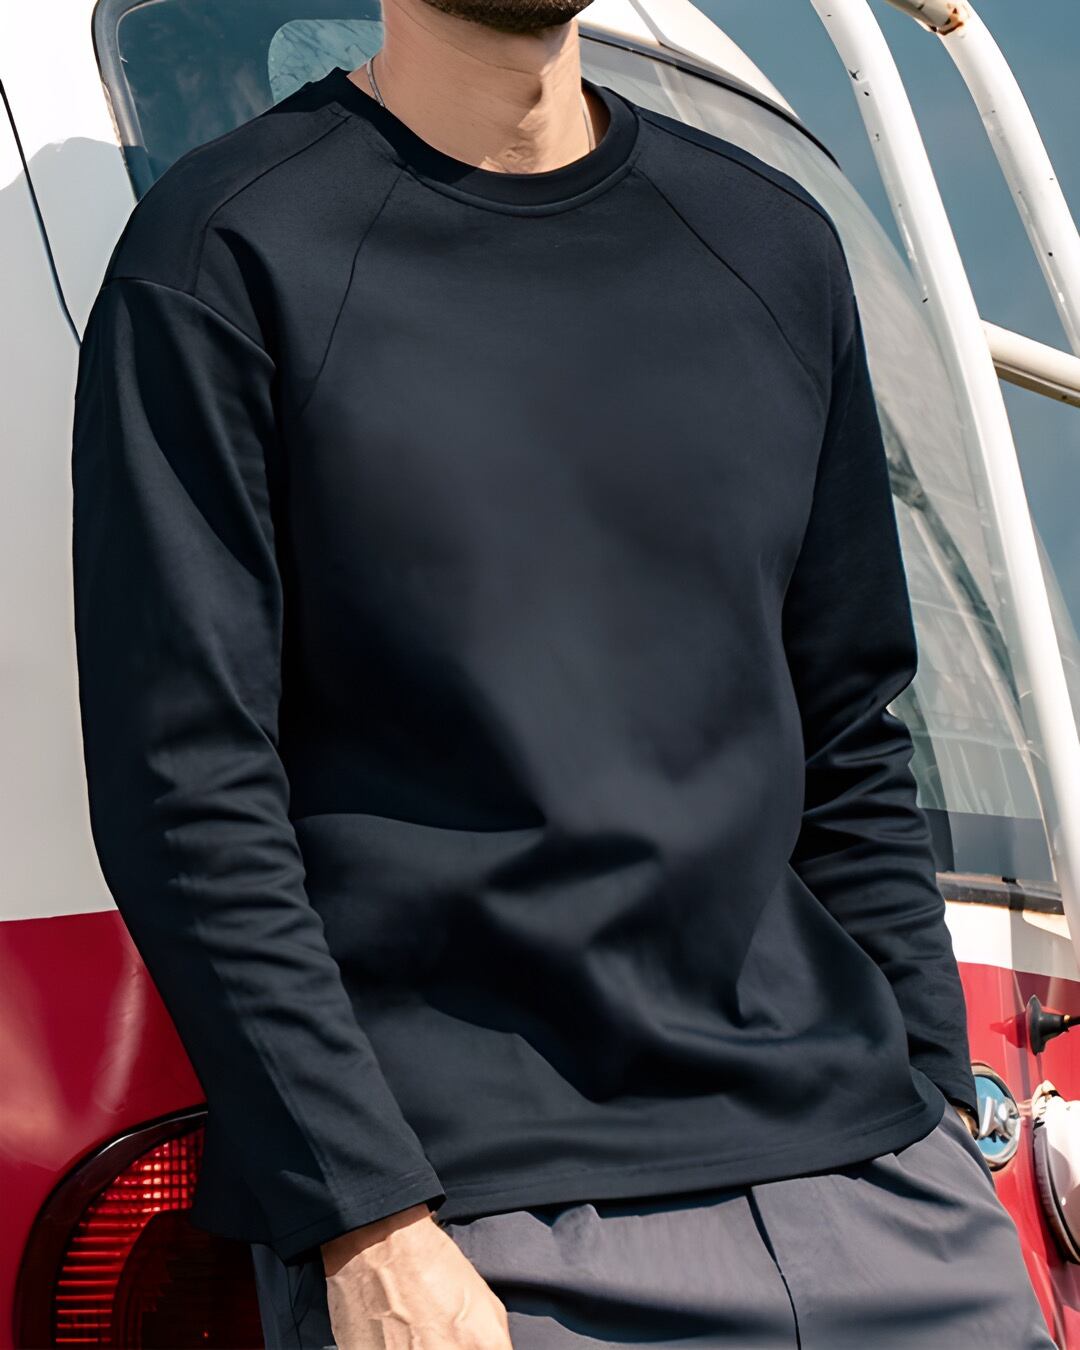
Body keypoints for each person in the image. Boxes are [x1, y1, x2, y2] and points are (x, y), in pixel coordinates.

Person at [68, 0, 1058, 1342]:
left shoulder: (771, 239)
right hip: (490, 1234)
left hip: (882, 1193)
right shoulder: (225, 251)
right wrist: (364, 1222)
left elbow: (850, 726)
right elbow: (185, 781)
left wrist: (936, 1102)